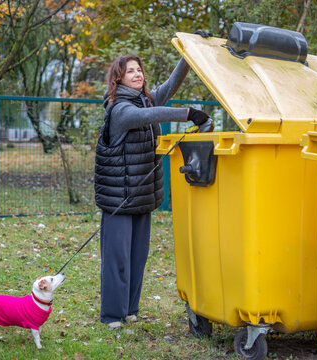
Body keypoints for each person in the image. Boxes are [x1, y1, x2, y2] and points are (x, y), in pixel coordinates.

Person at [94, 54, 212, 328]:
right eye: (130, 71)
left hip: (142, 195)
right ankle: (113, 315)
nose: (137, 74)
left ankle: (130, 309)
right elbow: (143, 117)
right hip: (119, 198)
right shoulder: (120, 108)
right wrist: (188, 114)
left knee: (137, 257)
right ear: (118, 79)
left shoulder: (145, 99)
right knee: (117, 259)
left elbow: (171, 85)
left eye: (139, 70)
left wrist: (189, 52)